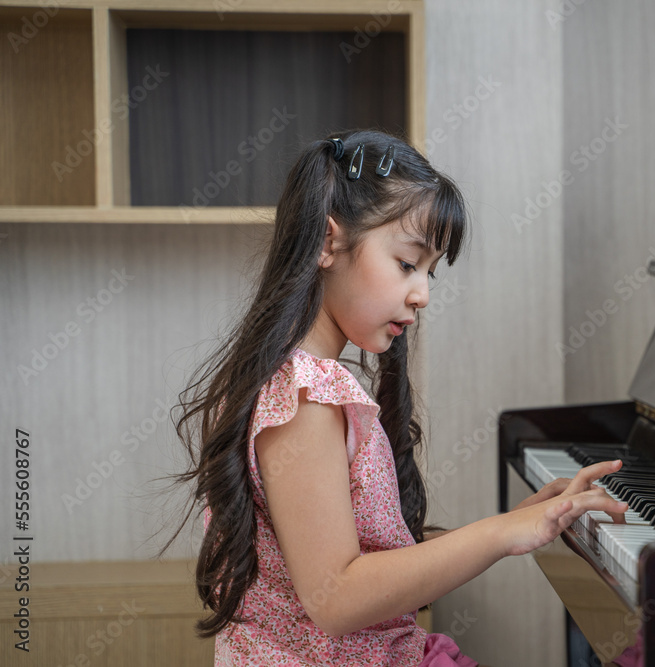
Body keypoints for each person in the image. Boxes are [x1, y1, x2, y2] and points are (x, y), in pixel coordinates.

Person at [160, 129, 629, 666]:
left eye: (431, 272)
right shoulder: (304, 396)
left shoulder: (297, 381)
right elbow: (335, 598)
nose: (423, 293)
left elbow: (365, 557)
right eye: (408, 264)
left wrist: (515, 522)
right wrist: (503, 534)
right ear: (328, 242)